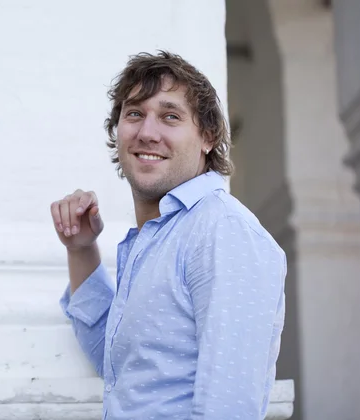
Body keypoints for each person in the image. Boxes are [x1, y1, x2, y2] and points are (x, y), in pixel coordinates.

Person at [50, 51, 286, 420]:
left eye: (170, 116)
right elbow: (119, 367)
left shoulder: (221, 231)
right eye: (134, 113)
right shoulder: (157, 239)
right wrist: (81, 250)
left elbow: (229, 406)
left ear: (207, 136)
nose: (147, 132)